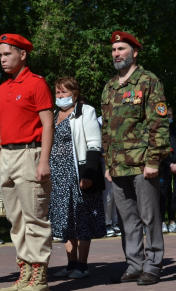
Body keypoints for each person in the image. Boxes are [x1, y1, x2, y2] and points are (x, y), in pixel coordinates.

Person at [101, 31, 170, 286]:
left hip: (143, 164)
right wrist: (107, 164)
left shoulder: (148, 81)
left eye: (121, 49)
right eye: (114, 50)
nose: (116, 54)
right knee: (127, 219)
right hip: (117, 166)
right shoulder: (110, 86)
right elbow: (106, 130)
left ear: (134, 53)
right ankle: (134, 264)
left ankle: (152, 265)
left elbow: (159, 124)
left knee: (149, 216)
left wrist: (154, 160)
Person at [0, 33, 54, 291]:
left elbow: (48, 124)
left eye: (7, 54)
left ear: (22, 54)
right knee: (15, 220)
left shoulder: (36, 84)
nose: (3, 59)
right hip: (5, 156)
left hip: (29, 155)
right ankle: (25, 271)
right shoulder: (1, 88)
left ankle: (40, 274)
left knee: (34, 218)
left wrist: (44, 160)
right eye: (0, 55)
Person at [49, 77, 106, 279]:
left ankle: (83, 265)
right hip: (57, 175)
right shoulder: (53, 115)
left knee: (82, 219)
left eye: (64, 92)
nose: (61, 96)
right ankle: (71, 263)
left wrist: (89, 174)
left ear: (75, 93)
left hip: (78, 174)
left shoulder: (85, 112)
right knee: (65, 221)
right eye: (57, 92)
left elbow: (94, 144)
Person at [159, 107, 176, 233]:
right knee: (162, 196)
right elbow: (160, 151)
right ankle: (162, 222)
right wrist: (169, 164)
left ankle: (172, 222)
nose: (170, 117)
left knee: (173, 196)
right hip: (164, 169)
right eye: (167, 115)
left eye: (171, 115)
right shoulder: (160, 133)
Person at [97, 116, 120, 237]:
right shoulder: (99, 121)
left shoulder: (119, 117)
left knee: (117, 193)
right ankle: (107, 223)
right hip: (104, 161)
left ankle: (115, 222)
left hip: (118, 161)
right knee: (108, 193)